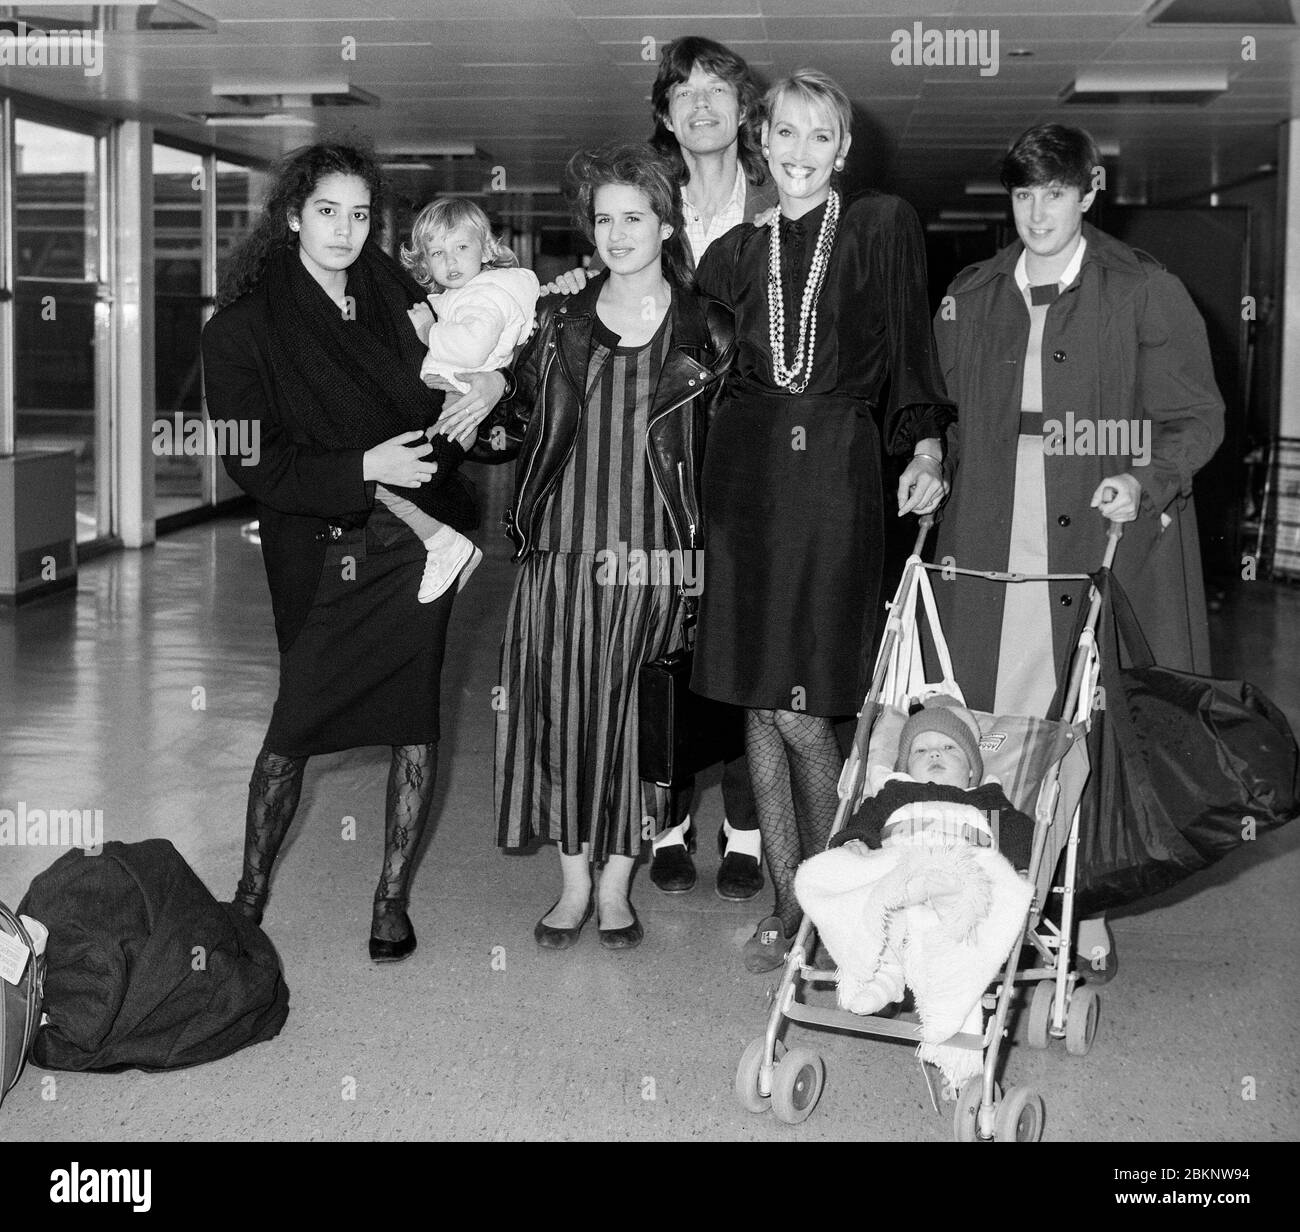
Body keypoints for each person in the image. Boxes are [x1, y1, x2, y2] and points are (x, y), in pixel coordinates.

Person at [932, 123, 1225, 980]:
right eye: (1023, 195)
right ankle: (990, 892)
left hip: (1098, 534)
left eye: (1055, 193)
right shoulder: (972, 291)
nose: (1037, 212)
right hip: (991, 532)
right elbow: (940, 413)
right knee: (994, 718)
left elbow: (1195, 417)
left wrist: (1147, 478)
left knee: (1086, 725)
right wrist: (924, 456)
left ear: (1090, 191)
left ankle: (1083, 902)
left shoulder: (1144, 289)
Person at [202, 142, 506, 963]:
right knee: (292, 728)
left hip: (420, 548)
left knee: (414, 720)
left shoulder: (397, 293)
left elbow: (467, 376)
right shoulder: (241, 328)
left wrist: (491, 388)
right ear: (293, 216)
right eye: (327, 211)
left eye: (361, 214)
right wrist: (363, 466)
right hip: (322, 546)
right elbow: (252, 459)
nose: (344, 230)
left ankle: (390, 900)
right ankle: (249, 895)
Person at [690, 69, 955, 972]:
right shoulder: (730, 254)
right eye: (785, 135)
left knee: (805, 706)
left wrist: (924, 451)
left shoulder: (882, 226)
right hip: (745, 479)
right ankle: (788, 905)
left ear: (843, 150)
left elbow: (913, 353)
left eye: (819, 137)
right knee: (762, 705)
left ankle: (845, 899)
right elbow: (681, 363)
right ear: (762, 145)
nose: (799, 152)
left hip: (835, 475)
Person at [547, 36, 777, 901]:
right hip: (662, 465)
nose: (703, 106)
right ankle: (669, 821)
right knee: (662, 641)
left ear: (744, 107)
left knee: (747, 645)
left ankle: (749, 830)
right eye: (685, 92)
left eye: (719, 89)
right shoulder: (644, 199)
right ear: (665, 112)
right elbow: (615, 286)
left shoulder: (778, 197)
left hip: (754, 458)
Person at [491, 142, 734, 951]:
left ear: (666, 224)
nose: (619, 233)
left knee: (637, 725)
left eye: (635, 217)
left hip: (655, 560)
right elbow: (516, 427)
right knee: (563, 719)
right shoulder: (558, 320)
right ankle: (570, 887)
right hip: (561, 555)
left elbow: (728, 458)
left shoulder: (709, 329)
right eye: (605, 220)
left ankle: (618, 885)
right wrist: (475, 380)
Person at [795, 697, 1035, 1089]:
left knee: (991, 884)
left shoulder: (986, 800)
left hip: (958, 883)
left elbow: (1016, 833)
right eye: (922, 750)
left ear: (973, 769)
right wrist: (856, 840)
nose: (935, 754)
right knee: (822, 874)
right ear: (906, 766)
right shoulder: (896, 793)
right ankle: (879, 973)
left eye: (949, 749)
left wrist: (1019, 865)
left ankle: (951, 1005)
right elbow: (866, 820)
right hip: (899, 875)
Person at [387, 198, 540, 602]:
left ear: (486, 250)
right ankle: (443, 528)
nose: (450, 261)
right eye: (438, 253)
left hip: (460, 399)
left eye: (461, 248)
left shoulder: (484, 296)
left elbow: (471, 347)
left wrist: (427, 335)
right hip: (451, 397)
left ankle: (445, 537)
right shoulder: (469, 291)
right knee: (409, 472)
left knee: (403, 476)